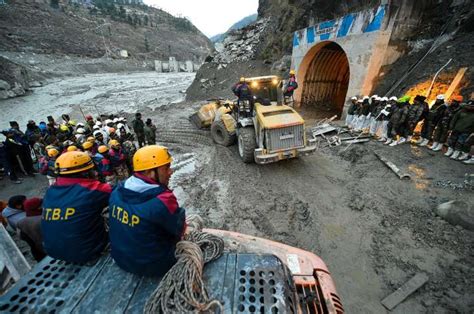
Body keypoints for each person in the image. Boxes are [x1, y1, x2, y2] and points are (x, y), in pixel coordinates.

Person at [108, 145, 186, 277]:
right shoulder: (163, 200)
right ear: (151, 172)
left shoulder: (117, 191)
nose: (171, 172)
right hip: (155, 266)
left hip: (120, 258)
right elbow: (179, 229)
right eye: (166, 168)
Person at [41, 151, 111, 263]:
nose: (96, 173)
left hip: (53, 251)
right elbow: (122, 193)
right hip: (89, 251)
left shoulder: (51, 190)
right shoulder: (93, 189)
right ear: (85, 172)